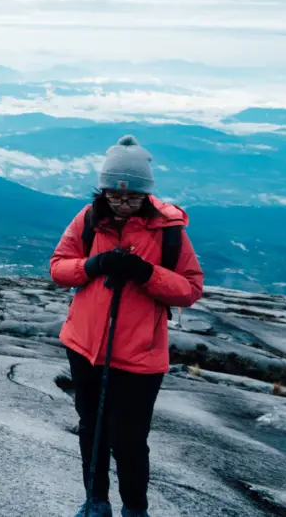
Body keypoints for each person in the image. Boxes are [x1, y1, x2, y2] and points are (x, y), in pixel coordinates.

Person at [50, 135, 204, 517]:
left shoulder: (168, 230)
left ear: (146, 195)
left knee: (130, 439)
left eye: (132, 198)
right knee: (93, 429)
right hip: (85, 346)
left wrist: (146, 273)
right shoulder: (88, 219)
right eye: (114, 196)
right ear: (102, 191)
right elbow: (57, 268)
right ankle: (95, 501)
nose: (121, 205)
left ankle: (135, 509)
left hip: (139, 355)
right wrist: (93, 265)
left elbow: (190, 289)